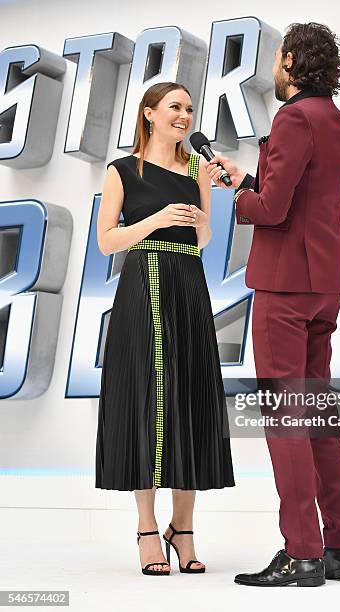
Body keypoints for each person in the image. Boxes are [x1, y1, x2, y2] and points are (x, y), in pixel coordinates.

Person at [206, 22, 340, 587]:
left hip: (286, 286)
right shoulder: (336, 121)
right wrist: (246, 177)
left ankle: (303, 552)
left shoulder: (293, 118)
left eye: (276, 58)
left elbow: (271, 210)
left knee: (285, 418)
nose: (273, 67)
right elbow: (302, 191)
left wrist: (241, 199)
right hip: (324, 283)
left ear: (291, 61)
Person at [95, 81, 235, 577]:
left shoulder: (198, 167)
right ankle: (147, 528)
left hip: (188, 285)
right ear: (150, 114)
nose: (185, 115)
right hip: (143, 284)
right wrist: (154, 219)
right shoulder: (122, 170)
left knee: (190, 396)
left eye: (190, 109)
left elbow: (203, 238)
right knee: (147, 398)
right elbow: (107, 242)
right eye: (175, 107)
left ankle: (185, 527)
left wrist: (199, 219)